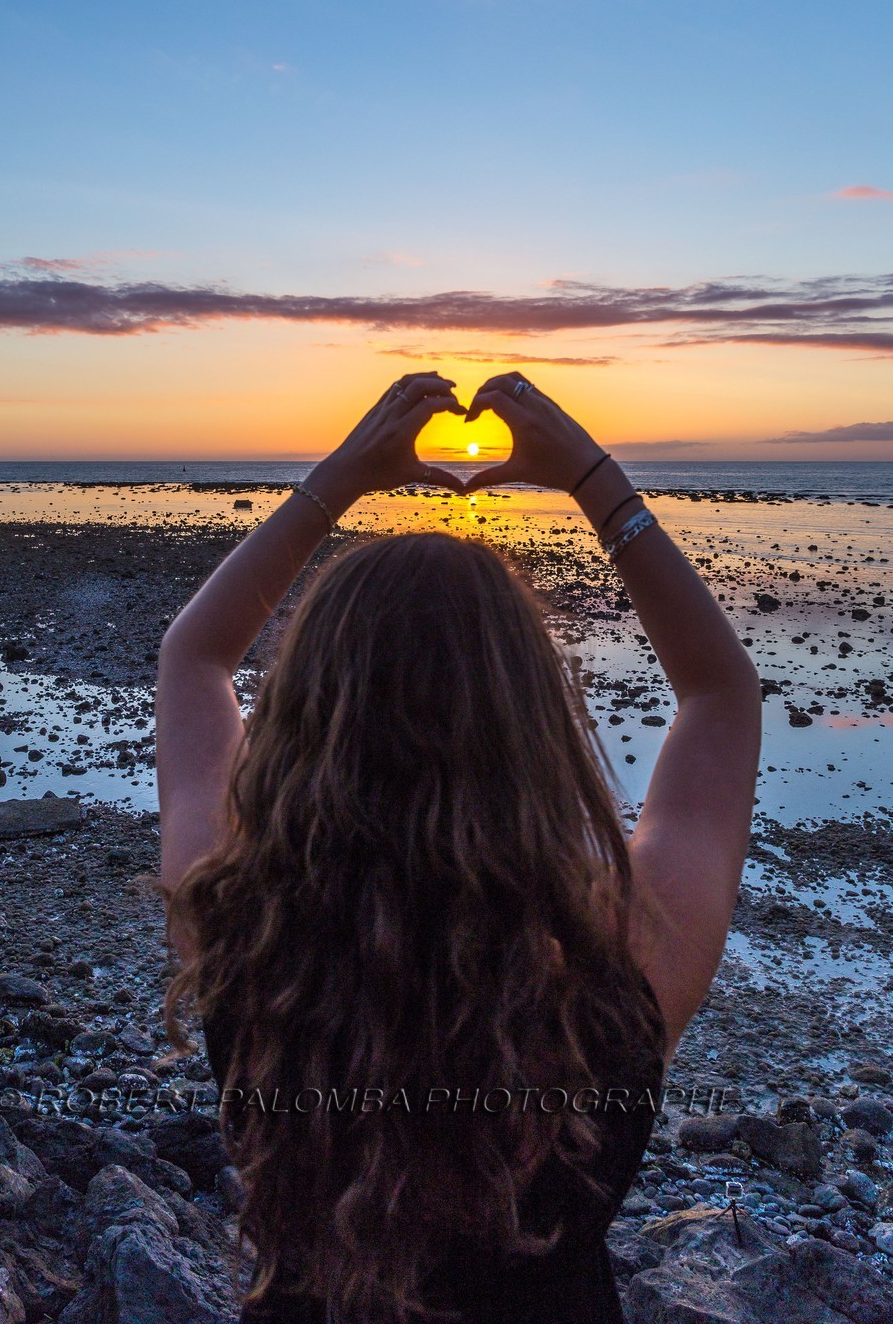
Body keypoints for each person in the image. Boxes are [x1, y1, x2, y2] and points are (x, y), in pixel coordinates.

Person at [151, 370, 762, 1324]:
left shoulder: (245, 939)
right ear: (531, 723)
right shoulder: (624, 956)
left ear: (308, 719)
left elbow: (192, 658)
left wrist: (344, 474)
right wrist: (592, 478)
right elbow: (721, 695)